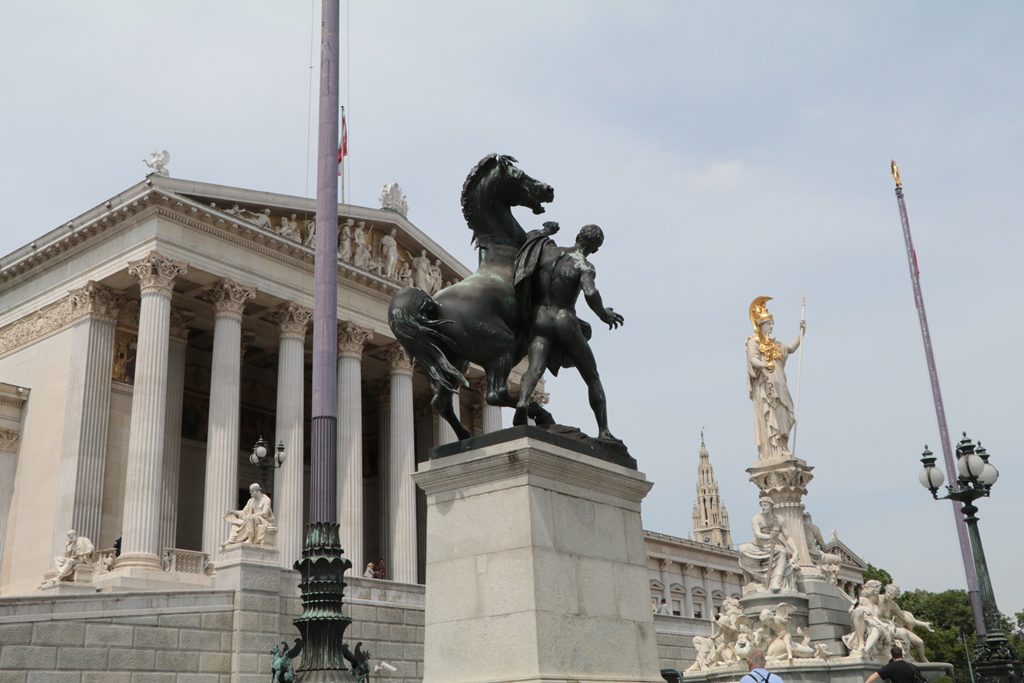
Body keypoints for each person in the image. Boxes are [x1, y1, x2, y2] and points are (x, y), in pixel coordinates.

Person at [512, 223, 624, 440]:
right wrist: (604, 315)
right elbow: (591, 293)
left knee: (535, 369)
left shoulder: (549, 251)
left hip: (539, 317)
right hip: (563, 318)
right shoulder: (584, 265)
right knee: (592, 376)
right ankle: (604, 431)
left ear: (577, 236)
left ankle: (523, 402)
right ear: (596, 248)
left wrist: (544, 231)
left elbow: (527, 252)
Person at [746, 297, 804, 460]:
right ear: (761, 325)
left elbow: (790, 348)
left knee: (785, 414)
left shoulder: (776, 344)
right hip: (767, 386)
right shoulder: (753, 341)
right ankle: (774, 449)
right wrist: (762, 365)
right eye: (768, 323)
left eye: (772, 323)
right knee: (772, 415)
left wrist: (800, 334)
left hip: (780, 384)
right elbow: (752, 358)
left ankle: (783, 445)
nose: (771, 326)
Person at [739, 497, 798, 592]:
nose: (763, 507)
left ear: (771, 506)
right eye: (761, 505)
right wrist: (769, 537)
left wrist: (795, 551)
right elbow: (757, 534)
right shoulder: (756, 518)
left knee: (782, 552)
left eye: (765, 505)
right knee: (742, 549)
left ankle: (776, 582)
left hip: (773, 547)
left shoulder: (779, 520)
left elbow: (788, 537)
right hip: (758, 547)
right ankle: (758, 579)